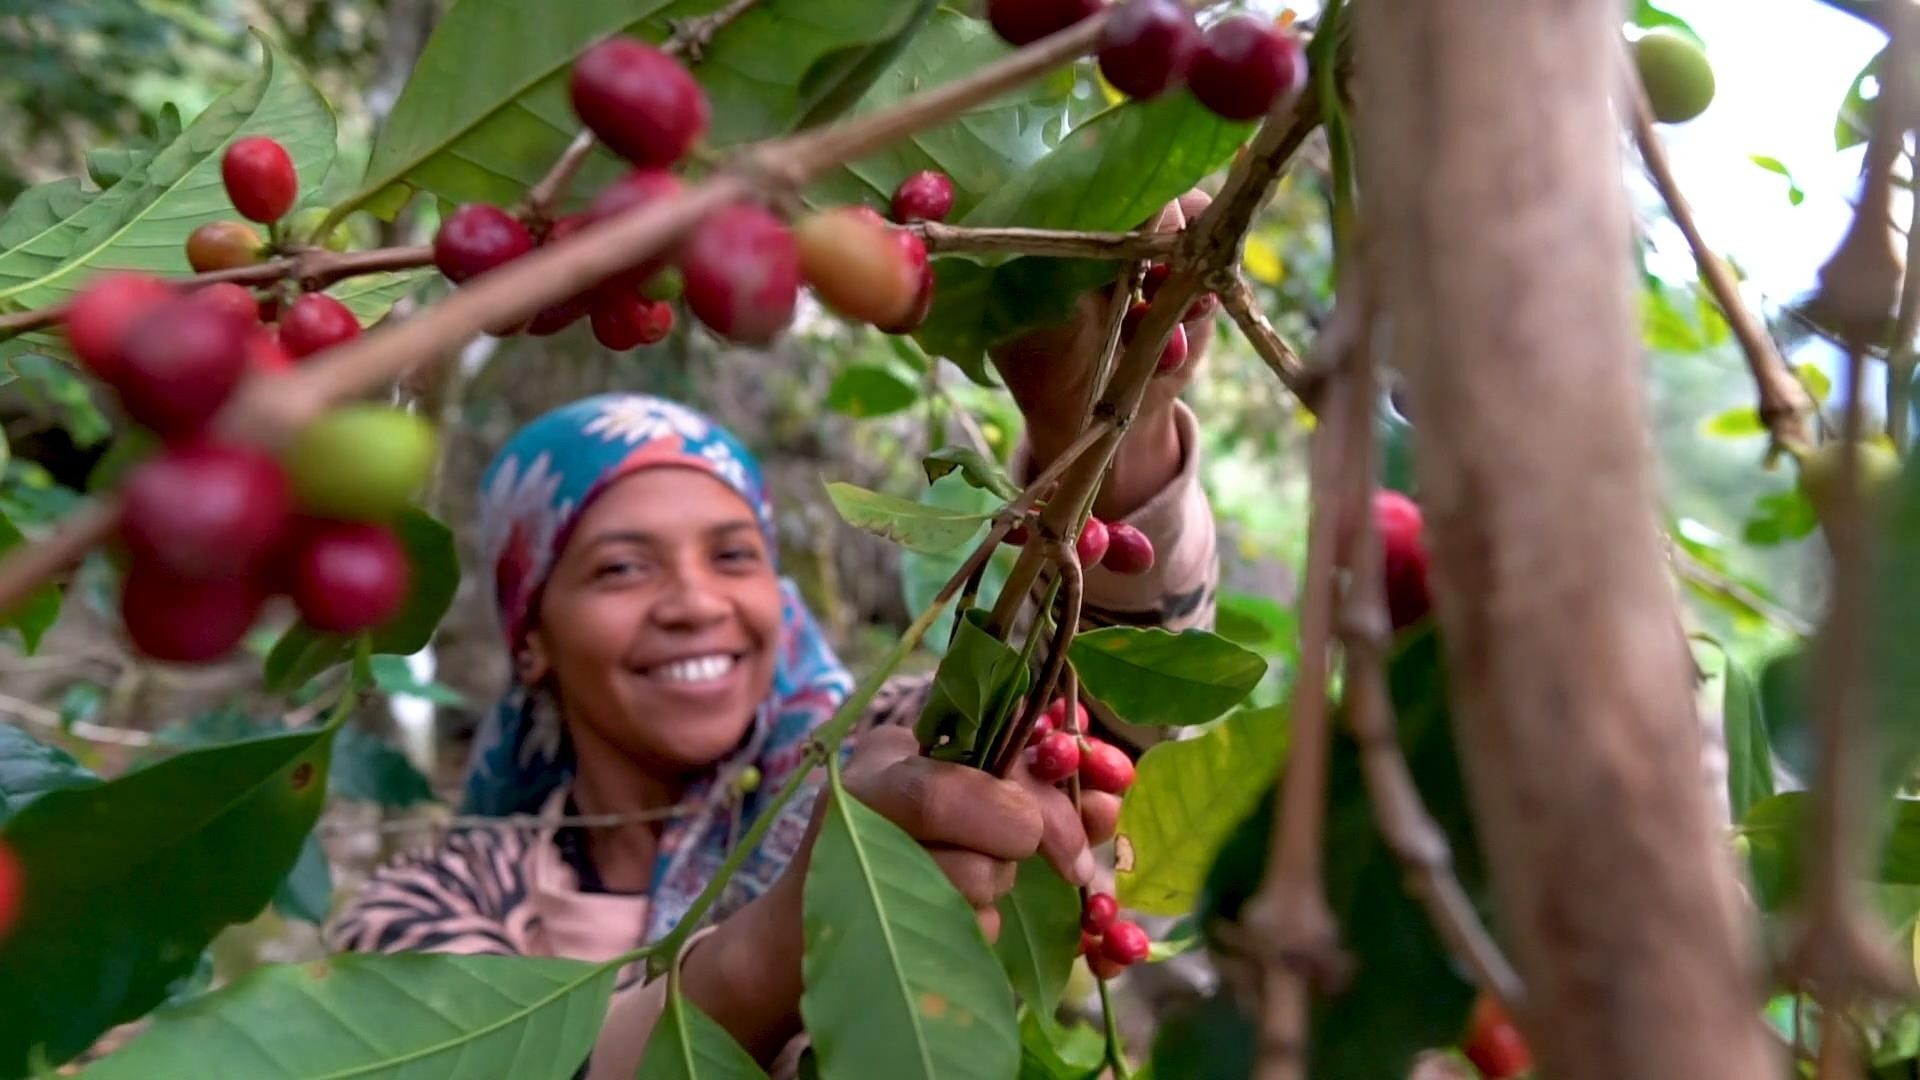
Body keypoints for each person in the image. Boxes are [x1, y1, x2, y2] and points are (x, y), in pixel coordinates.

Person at [327, 196, 1222, 1078]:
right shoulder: (436, 904)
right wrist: (782, 942)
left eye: (732, 556)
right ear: (532, 639)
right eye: (620, 568)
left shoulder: (894, 759)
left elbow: (1103, 725)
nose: (694, 602)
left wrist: (1106, 430)